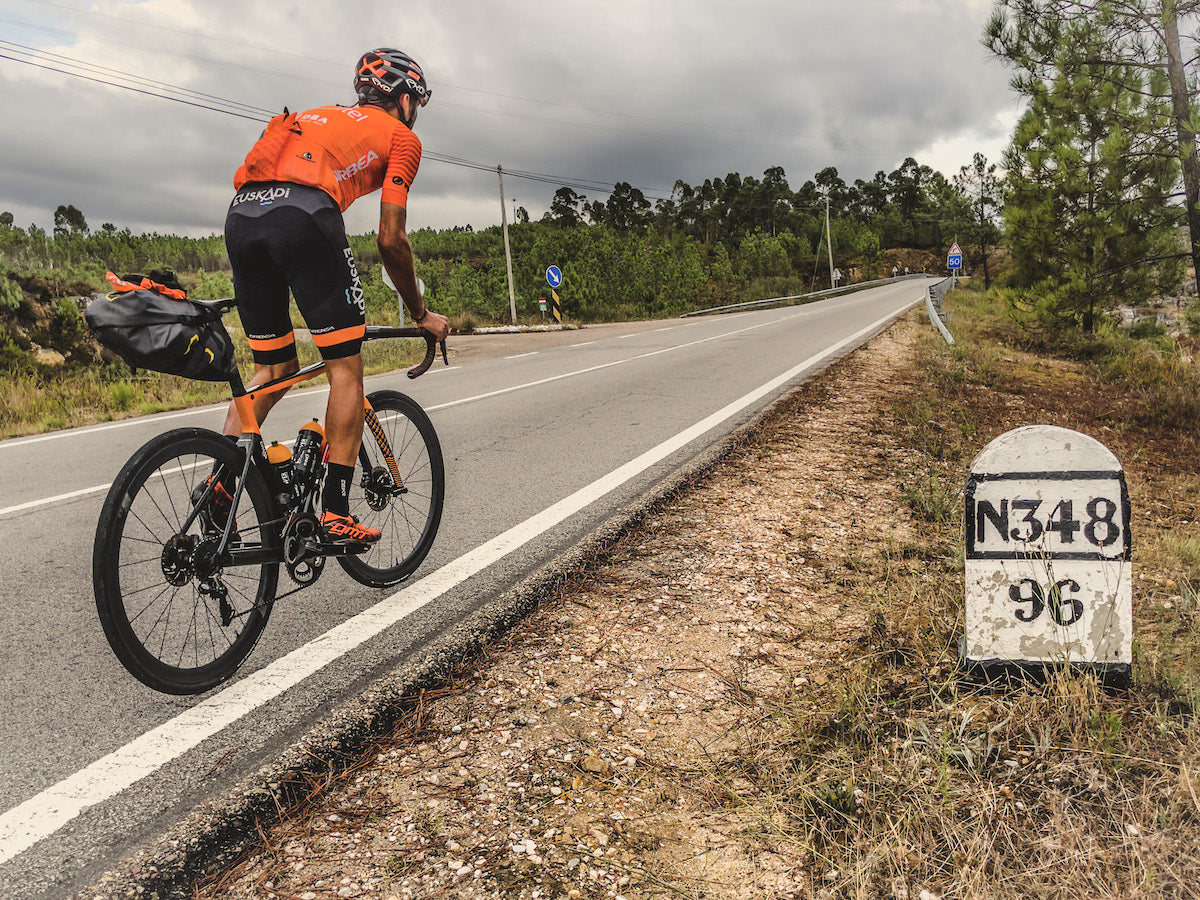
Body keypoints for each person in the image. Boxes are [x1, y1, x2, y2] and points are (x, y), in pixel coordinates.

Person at [220, 48, 450, 546]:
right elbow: (391, 238)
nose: (416, 113)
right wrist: (420, 312)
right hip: (304, 216)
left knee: (274, 368)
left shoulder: (314, 115)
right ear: (405, 99)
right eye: (417, 102)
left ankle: (220, 487)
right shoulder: (402, 137)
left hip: (242, 216)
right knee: (344, 367)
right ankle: (336, 512)